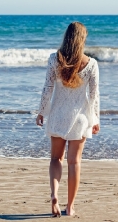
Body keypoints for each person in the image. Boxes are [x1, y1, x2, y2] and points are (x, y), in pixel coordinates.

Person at [36, 22, 100, 217]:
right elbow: (94, 95)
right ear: (82, 40)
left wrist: (41, 112)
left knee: (56, 159)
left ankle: (54, 195)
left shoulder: (55, 60)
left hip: (57, 116)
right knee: (74, 162)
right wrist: (95, 119)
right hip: (80, 118)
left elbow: (48, 88)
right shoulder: (91, 64)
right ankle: (70, 207)